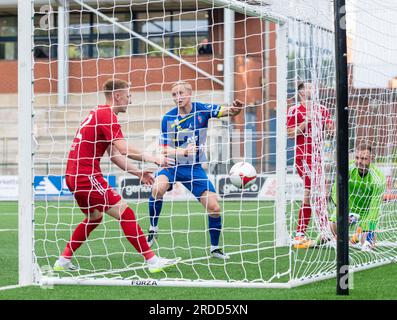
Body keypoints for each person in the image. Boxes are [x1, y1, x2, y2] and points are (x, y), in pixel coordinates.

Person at [53, 79, 180, 273]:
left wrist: (138, 173)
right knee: (125, 213)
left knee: (94, 218)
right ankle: (152, 261)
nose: (130, 101)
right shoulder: (107, 115)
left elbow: (114, 155)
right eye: (128, 96)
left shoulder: (98, 112)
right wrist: (153, 158)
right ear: (117, 96)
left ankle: (63, 260)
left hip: (73, 175)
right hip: (86, 175)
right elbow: (123, 148)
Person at [146, 81, 244, 259]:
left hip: (194, 168)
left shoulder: (202, 109)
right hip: (171, 165)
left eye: (181, 93)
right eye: (174, 94)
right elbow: (164, 149)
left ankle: (215, 248)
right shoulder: (168, 118)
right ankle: (153, 228)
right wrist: (181, 151)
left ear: (190, 94)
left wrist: (236, 109)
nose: (178, 97)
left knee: (214, 207)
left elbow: (227, 111)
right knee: (156, 189)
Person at [287, 82, 334, 249]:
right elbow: (290, 134)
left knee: (314, 194)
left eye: (312, 86)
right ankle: (304, 233)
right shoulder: (294, 110)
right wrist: (305, 122)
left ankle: (307, 232)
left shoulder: (322, 109)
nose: (311, 89)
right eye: (308, 86)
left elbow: (330, 130)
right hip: (303, 157)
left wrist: (330, 128)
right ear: (300, 92)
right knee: (312, 192)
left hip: (318, 159)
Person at [329, 142, 386, 251]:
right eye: (357, 157)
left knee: (368, 245)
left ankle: (360, 233)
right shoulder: (347, 169)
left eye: (364, 158)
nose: (359, 162)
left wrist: (369, 235)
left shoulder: (378, 178)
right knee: (332, 226)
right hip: (348, 209)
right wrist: (342, 210)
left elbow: (374, 209)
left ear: (371, 158)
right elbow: (336, 190)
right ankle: (346, 238)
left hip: (366, 214)